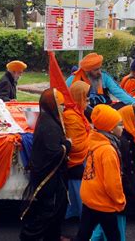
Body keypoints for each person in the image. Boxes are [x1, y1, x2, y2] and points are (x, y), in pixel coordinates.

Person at [20, 88, 71, 240]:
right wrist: (67, 145)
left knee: (56, 210)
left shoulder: (48, 118)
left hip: (54, 176)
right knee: (48, 211)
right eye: (61, 104)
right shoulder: (49, 125)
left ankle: (53, 237)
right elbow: (54, 152)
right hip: (49, 178)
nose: (64, 107)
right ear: (53, 105)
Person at [91, 104, 135, 241]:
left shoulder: (114, 140)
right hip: (118, 193)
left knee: (104, 226)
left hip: (110, 193)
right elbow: (118, 174)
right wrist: (121, 197)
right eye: (120, 124)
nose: (124, 126)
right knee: (117, 228)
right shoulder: (119, 143)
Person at [75, 104, 126, 241]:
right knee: (114, 236)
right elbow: (112, 183)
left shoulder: (93, 139)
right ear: (110, 128)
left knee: (83, 234)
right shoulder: (108, 150)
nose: (123, 127)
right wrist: (120, 201)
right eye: (119, 124)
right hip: (103, 202)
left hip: (89, 196)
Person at [66, 53, 135, 111]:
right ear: (87, 71)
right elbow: (62, 94)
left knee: (129, 106)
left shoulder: (104, 77)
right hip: (85, 110)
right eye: (96, 70)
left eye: (99, 68)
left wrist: (133, 102)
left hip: (106, 108)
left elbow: (118, 91)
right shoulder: (73, 79)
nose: (99, 72)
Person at [63, 82, 91, 219]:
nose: (88, 103)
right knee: (80, 194)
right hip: (76, 162)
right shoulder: (71, 116)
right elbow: (75, 146)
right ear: (78, 98)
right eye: (86, 99)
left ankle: (74, 212)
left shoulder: (77, 113)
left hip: (81, 161)